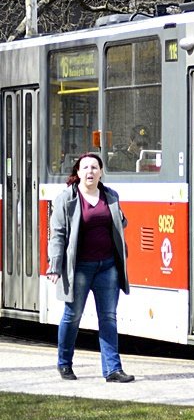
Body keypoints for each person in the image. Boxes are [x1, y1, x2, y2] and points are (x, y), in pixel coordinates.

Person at [46, 153, 134, 383]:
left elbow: (120, 224)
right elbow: (57, 235)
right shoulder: (67, 198)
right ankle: (64, 363)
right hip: (80, 268)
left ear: (101, 172)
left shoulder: (110, 196)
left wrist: (120, 218)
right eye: (85, 168)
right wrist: (55, 266)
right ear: (77, 172)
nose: (90, 172)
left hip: (108, 267)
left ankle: (113, 370)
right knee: (72, 316)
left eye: (94, 167)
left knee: (109, 318)